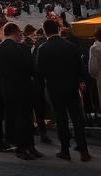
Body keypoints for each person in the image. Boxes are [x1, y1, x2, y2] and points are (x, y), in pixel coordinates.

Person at [36, 18, 90, 162]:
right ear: (58, 30)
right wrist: (80, 81)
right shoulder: (71, 46)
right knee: (78, 119)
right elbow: (80, 68)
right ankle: (84, 151)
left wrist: (40, 91)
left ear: (45, 32)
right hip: (72, 87)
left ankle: (65, 150)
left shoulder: (43, 48)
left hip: (55, 90)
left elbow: (40, 72)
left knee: (61, 120)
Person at [0, 22, 41, 161]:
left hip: (7, 89)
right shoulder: (22, 48)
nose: (20, 36)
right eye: (19, 34)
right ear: (14, 33)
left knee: (15, 118)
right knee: (25, 119)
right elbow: (31, 68)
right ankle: (26, 147)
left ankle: (24, 146)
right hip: (23, 87)